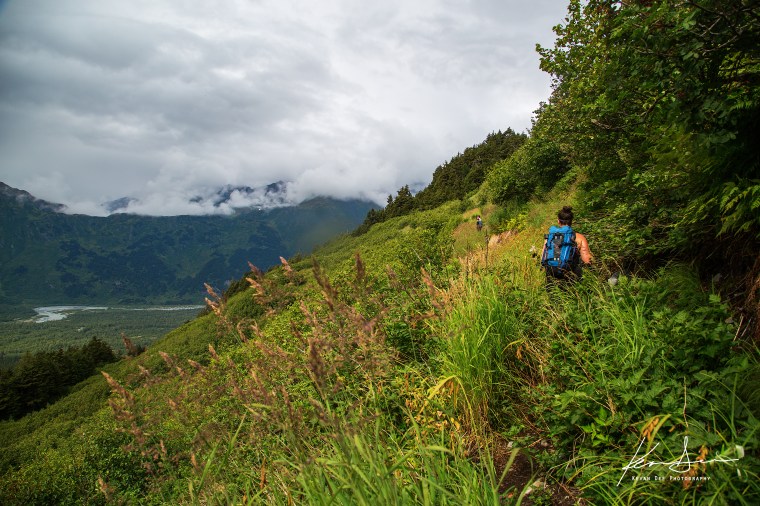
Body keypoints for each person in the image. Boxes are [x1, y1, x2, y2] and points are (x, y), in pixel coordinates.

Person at [540, 206, 593, 283]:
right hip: (570, 274)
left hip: (551, 273)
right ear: (571, 221)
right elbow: (587, 260)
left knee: (553, 294)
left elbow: (543, 256)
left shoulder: (550, 236)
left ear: (558, 221)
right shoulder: (579, 237)